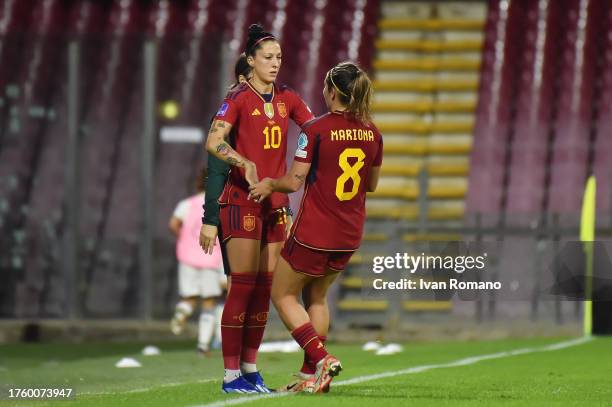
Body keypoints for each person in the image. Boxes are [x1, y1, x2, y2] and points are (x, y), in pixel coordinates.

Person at [248, 61, 383, 394]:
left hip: (315, 231)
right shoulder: (373, 132)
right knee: (317, 297)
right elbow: (372, 185)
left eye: (325, 87)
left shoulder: (315, 129)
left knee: (282, 294)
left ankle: (322, 358)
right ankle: (312, 377)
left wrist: (268, 185)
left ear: (333, 91)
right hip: (349, 233)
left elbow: (295, 181)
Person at [202, 24, 314, 393]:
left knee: (266, 287)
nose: (275, 63)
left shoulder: (287, 97)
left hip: (276, 203)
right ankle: (230, 374)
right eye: (268, 57)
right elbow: (213, 141)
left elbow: (314, 130)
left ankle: (250, 368)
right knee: (243, 287)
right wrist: (242, 162)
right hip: (241, 201)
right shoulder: (236, 97)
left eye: (279, 57)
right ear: (250, 60)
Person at [169, 169, 227, 355]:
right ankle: (203, 345)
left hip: (187, 257)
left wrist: (184, 239)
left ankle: (182, 311)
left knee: (189, 297)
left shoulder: (187, 204)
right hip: (210, 258)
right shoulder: (219, 205)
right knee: (209, 301)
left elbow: (173, 224)